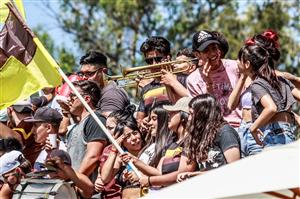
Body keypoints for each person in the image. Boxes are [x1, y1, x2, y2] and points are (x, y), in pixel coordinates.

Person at [237, 32, 300, 149]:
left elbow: (271, 108)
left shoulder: (257, 84)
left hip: (273, 134)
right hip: (288, 131)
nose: (236, 62)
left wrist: (253, 127)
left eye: (239, 59)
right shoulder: (280, 79)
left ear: (247, 64)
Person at [121, 97, 192, 189]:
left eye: (173, 112)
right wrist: (135, 160)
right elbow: (159, 172)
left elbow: (181, 174)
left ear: (184, 117)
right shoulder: (171, 143)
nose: (169, 115)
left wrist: (149, 180)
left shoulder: (189, 141)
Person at [177, 94, 241, 182]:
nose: (189, 118)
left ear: (203, 114)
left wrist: (198, 175)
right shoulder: (197, 135)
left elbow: (235, 169)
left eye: (192, 114)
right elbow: (183, 170)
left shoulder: (225, 132)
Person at [186, 30, 242, 128]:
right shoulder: (193, 80)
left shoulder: (235, 67)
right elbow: (204, 113)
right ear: (197, 55)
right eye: (206, 50)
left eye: (214, 48)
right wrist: (209, 84)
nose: (212, 53)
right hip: (215, 130)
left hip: (241, 126)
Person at [66, 80, 108, 182]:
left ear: (86, 98)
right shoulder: (76, 126)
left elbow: (93, 157)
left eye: (72, 96)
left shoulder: (96, 120)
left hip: (87, 190)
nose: (68, 99)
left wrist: (75, 182)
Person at [78, 50, 130, 118]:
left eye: (89, 73)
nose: (84, 78)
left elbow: (110, 125)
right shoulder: (101, 92)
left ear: (104, 72)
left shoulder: (112, 93)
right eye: (82, 74)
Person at [101, 120, 144, 199]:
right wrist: (114, 149)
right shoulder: (121, 158)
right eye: (128, 136)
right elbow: (105, 178)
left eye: (135, 133)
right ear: (121, 142)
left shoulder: (150, 150)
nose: (134, 138)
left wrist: (141, 175)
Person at [23, 106, 65, 171]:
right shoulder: (44, 150)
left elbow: (58, 175)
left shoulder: (63, 150)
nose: (32, 130)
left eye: (35, 126)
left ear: (48, 127)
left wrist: (53, 154)